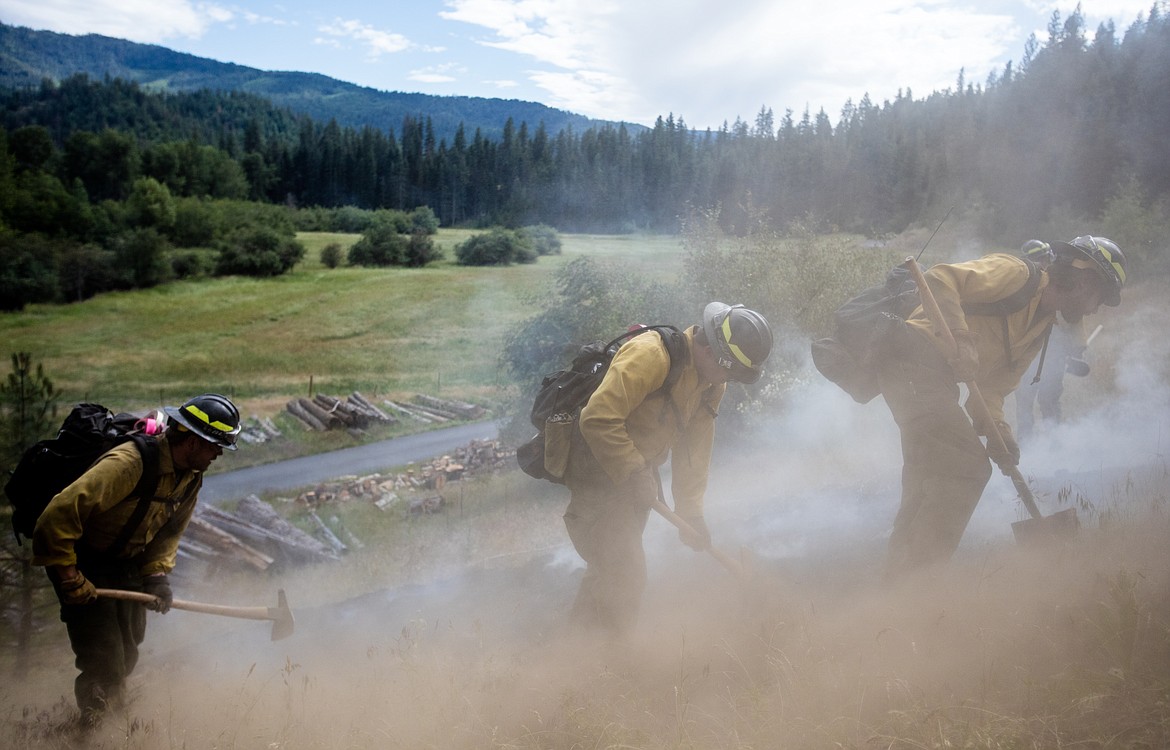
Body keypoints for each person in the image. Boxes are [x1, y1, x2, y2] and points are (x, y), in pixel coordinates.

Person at [875, 236, 1125, 579]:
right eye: (1101, 297)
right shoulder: (1017, 274)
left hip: (930, 380)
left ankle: (895, 581)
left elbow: (992, 390)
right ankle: (921, 581)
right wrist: (961, 338)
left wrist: (1001, 437)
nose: (1095, 309)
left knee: (927, 477)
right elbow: (939, 278)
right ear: (1084, 280)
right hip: (911, 359)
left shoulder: (1042, 327)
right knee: (968, 468)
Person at [561, 302, 772, 637]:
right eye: (729, 371)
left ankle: (578, 651)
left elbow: (694, 450)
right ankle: (603, 661)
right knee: (624, 570)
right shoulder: (650, 356)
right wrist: (633, 472)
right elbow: (597, 418)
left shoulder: (711, 383)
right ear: (709, 351)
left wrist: (691, 512)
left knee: (612, 566)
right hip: (596, 468)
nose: (729, 380)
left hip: (636, 475)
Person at [33, 393, 242, 720]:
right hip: (83, 561)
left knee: (129, 651)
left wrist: (156, 575)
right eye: (215, 445)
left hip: (126, 560)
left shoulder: (190, 476)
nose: (218, 453)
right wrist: (69, 576)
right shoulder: (130, 463)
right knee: (105, 660)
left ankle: (111, 714)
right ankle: (97, 733)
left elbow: (170, 532)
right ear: (191, 440)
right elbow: (57, 516)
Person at [1013, 240, 1091, 440]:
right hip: (1027, 357)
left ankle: (1055, 444)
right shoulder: (1023, 286)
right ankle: (1026, 446)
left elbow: (1074, 321)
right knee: (1024, 401)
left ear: (1050, 258)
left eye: (1043, 258)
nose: (1041, 263)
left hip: (1054, 357)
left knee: (1049, 401)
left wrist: (1077, 350)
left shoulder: (1061, 284)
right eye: (1035, 259)